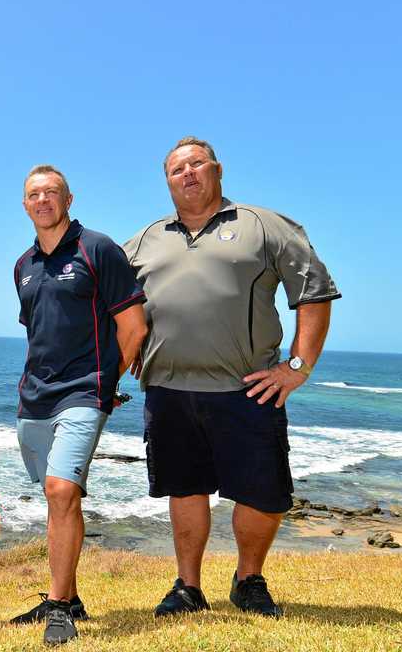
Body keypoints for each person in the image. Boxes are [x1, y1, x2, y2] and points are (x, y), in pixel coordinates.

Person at [124, 136, 340, 619]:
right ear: (167, 181)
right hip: (169, 391)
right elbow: (114, 306)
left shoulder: (264, 226)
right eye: (177, 169)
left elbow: (314, 291)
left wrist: (297, 367)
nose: (188, 174)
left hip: (248, 389)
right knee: (184, 489)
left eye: (197, 164)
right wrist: (127, 350)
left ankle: (248, 579)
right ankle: (187, 587)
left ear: (217, 170)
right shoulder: (143, 241)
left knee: (263, 491)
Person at [12, 166, 147, 645]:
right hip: (35, 397)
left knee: (61, 490)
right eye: (34, 194)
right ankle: (69, 594)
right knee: (56, 497)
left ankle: (60, 606)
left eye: (51, 192)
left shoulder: (98, 248)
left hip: (84, 390)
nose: (42, 200)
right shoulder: (23, 265)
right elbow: (38, 330)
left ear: (69, 198)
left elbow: (133, 325)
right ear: (24, 205)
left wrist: (106, 384)